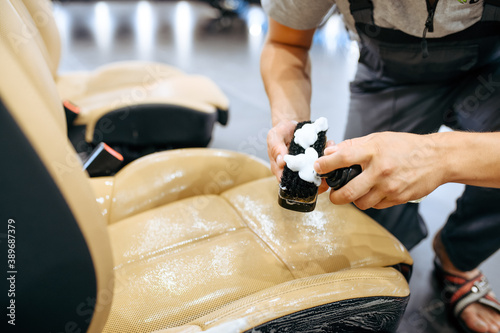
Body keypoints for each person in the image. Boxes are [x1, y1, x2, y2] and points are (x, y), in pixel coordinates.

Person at [260, 1, 500, 332]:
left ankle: (459, 256)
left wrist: (438, 156)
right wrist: (292, 121)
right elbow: (285, 43)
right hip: (391, 78)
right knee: (371, 222)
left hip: (492, 74)